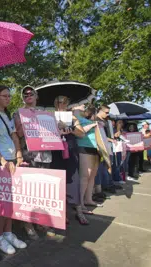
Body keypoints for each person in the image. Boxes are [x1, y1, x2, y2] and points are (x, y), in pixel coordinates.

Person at [0, 85, 27, 254]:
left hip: (13, 160)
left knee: (11, 199)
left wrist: (18, 156)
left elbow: (15, 137)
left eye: (9, 96)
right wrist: (2, 160)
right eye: (4, 96)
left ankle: (8, 233)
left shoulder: (8, 115)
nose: (8, 99)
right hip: (1, 161)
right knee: (2, 200)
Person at [13, 85, 55, 239]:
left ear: (36, 96)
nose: (28, 95)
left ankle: (41, 221)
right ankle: (27, 224)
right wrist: (27, 120)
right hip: (28, 154)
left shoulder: (46, 113)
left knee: (43, 189)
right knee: (28, 191)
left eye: (31, 93)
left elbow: (53, 132)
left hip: (45, 155)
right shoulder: (18, 112)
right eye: (25, 94)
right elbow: (17, 133)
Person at [50, 96, 89, 225]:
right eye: (59, 102)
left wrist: (70, 128)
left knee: (74, 180)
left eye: (65, 102)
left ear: (68, 104)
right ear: (55, 103)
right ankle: (62, 213)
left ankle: (79, 211)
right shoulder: (50, 116)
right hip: (55, 152)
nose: (62, 104)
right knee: (58, 182)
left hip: (71, 151)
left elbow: (82, 133)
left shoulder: (72, 117)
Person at [73, 105, 102, 215]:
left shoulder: (86, 118)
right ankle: (80, 203)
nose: (84, 105)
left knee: (92, 175)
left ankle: (88, 199)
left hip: (95, 148)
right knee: (85, 175)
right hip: (84, 147)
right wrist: (93, 125)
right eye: (82, 104)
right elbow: (79, 132)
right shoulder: (75, 118)